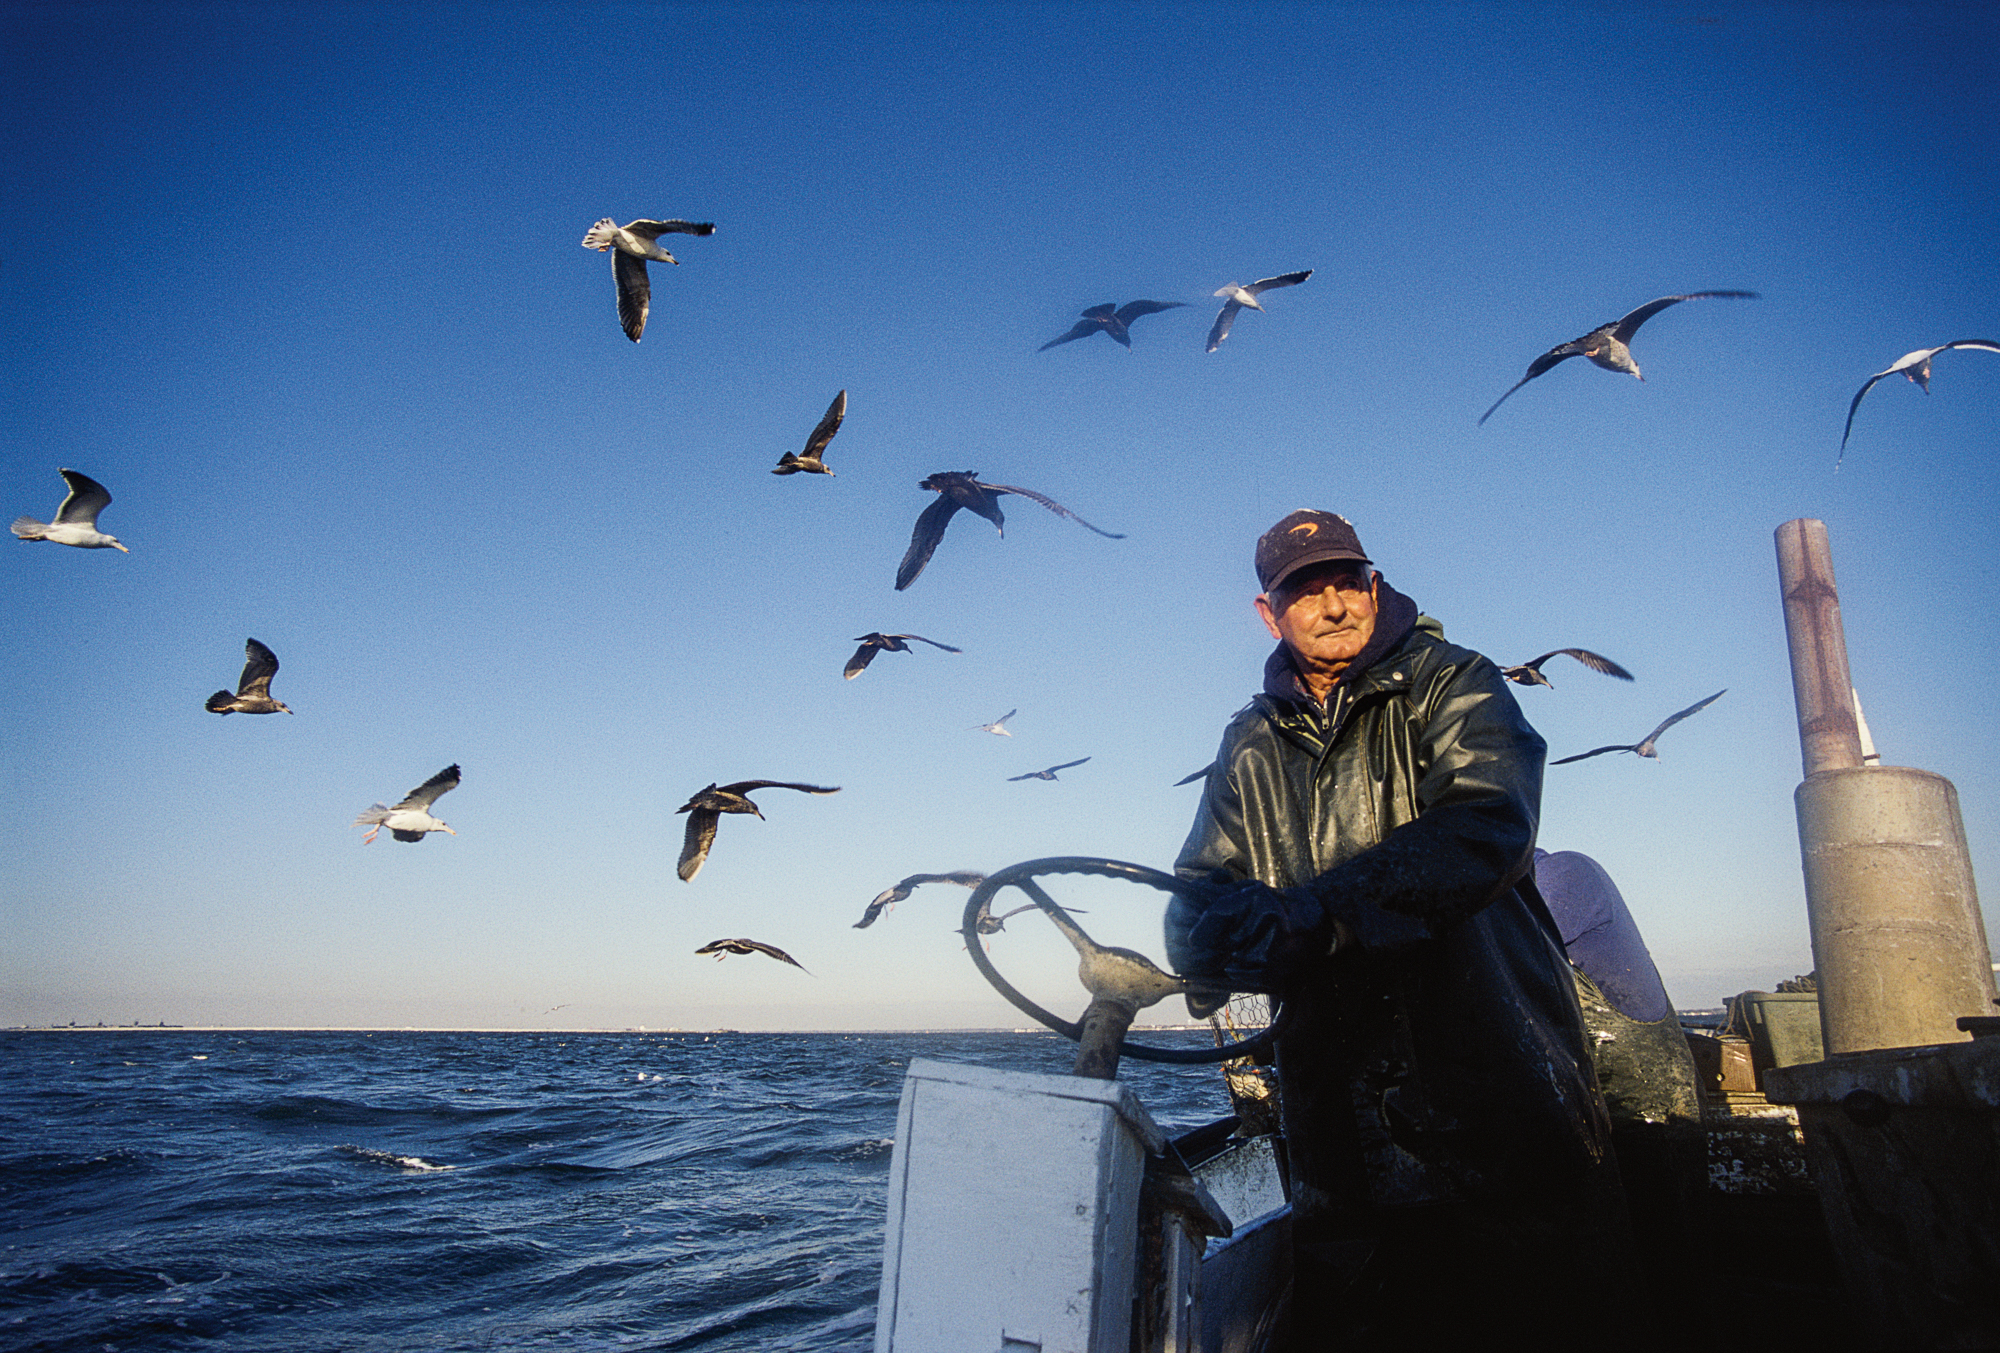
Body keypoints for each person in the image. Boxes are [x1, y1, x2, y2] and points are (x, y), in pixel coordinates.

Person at [1168, 509, 1631, 1344]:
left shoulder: (1456, 681)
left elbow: (1485, 825)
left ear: (1375, 585)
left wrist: (1320, 909)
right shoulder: (1246, 743)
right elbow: (1198, 889)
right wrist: (1210, 944)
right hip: (1337, 1143)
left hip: (1495, 1117)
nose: (1334, 604)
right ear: (1267, 614)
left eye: (1346, 581)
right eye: (1304, 590)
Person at [1533, 847, 1705, 1280]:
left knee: (1665, 1255)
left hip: (1651, 1104)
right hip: (1604, 1104)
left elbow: (1526, 946)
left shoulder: (1563, 872)